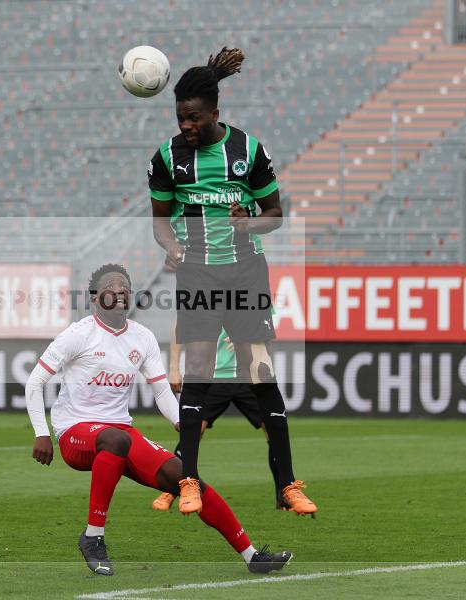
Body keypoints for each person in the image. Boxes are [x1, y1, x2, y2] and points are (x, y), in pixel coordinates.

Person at [25, 264, 292, 576]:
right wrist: (41, 433)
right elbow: (35, 382)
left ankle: (252, 557)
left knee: (187, 480)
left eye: (124, 285)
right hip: (75, 431)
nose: (120, 290)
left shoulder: (143, 337)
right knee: (117, 439)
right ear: (95, 297)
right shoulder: (77, 335)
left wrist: (183, 422)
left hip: (120, 434)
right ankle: (93, 537)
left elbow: (162, 391)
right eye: (111, 286)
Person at [148, 47, 311, 515]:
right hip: (197, 272)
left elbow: (275, 214)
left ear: (214, 114)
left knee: (261, 373)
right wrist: (171, 246)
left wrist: (249, 222)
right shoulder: (167, 157)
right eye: (181, 118)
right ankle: (188, 481)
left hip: (245, 272)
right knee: (199, 371)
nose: (186, 126)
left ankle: (288, 485)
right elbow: (159, 222)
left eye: (194, 118)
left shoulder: (249, 150)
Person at [152, 325, 316, 515]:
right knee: (196, 428)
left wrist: (247, 339)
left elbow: (265, 333)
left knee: (270, 428)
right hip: (214, 376)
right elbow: (179, 326)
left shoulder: (251, 306)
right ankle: (173, 489)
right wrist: (174, 366)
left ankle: (284, 492)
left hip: (246, 376)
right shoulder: (203, 307)